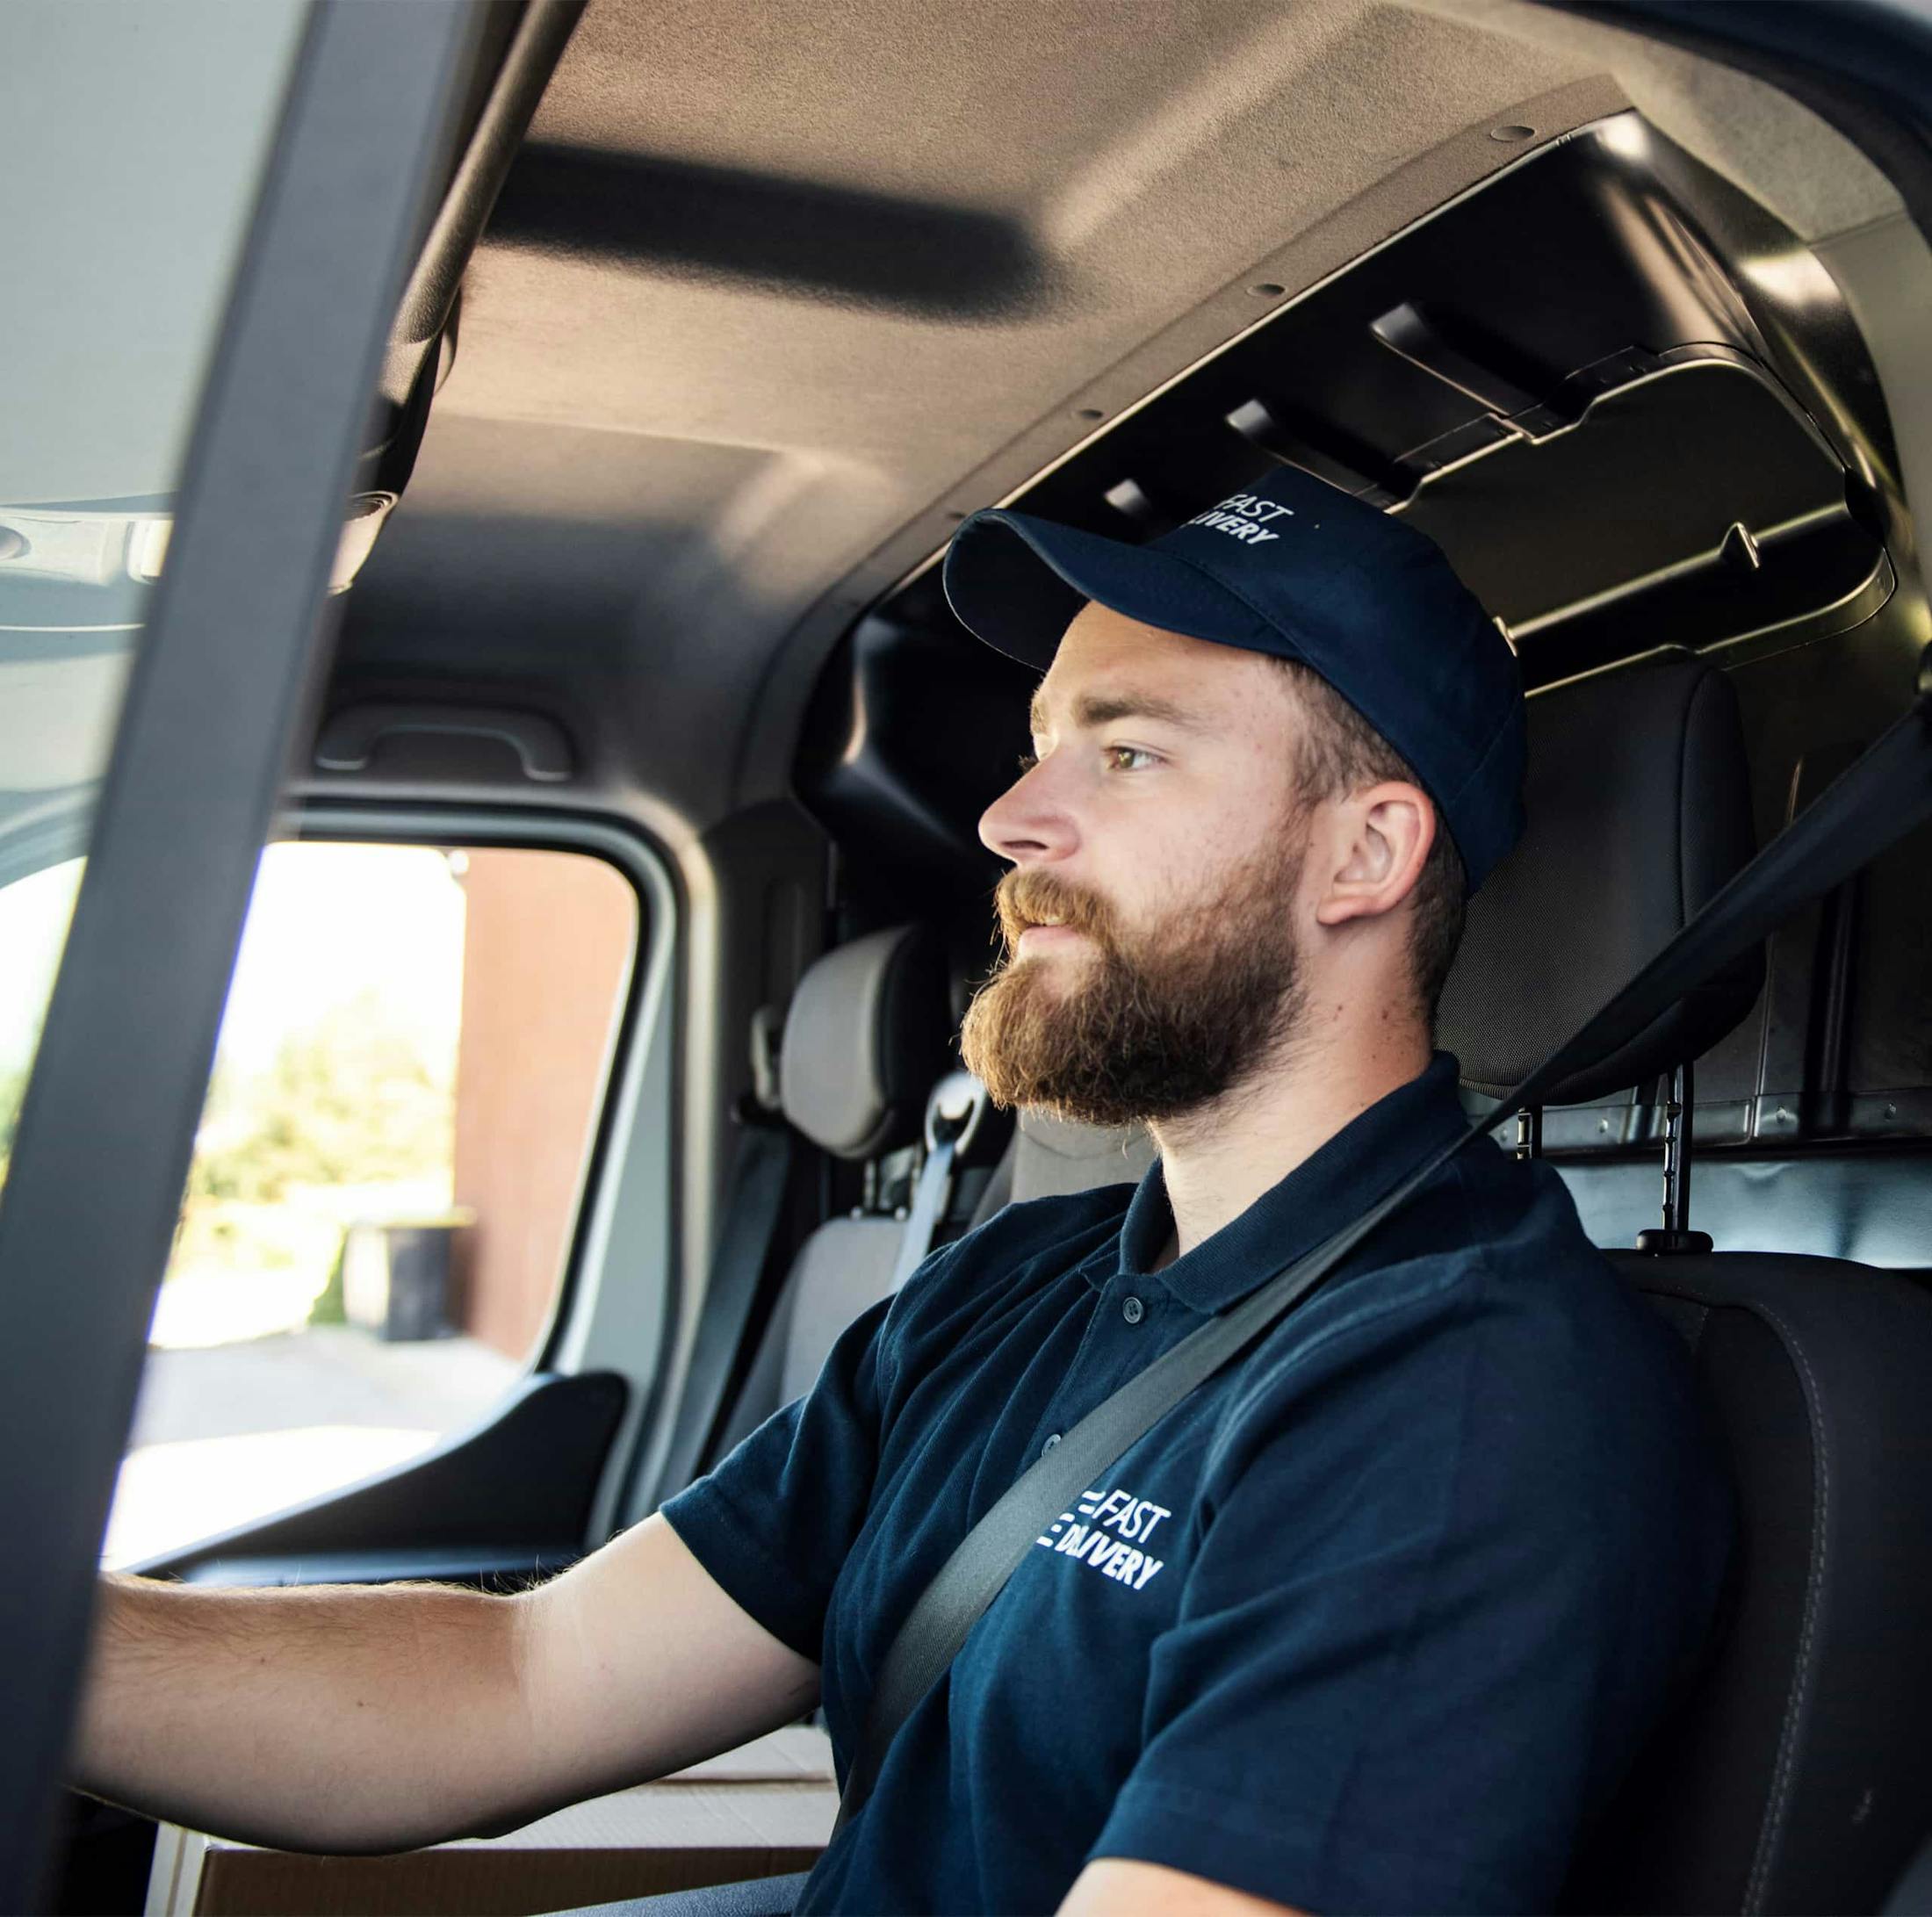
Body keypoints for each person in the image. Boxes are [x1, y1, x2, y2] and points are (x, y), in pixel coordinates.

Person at [76, 466, 1731, 1916]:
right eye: (1035, 753)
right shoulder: (1014, 1285)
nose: (1013, 820)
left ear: (1363, 858)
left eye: (1131, 755)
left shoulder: (1460, 1394)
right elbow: (527, 1679)